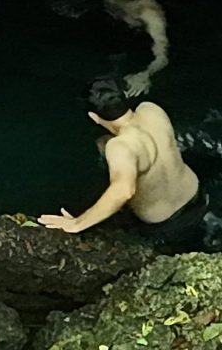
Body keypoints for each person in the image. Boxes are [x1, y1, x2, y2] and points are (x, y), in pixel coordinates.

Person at [38, 77, 208, 246]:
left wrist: (77, 223)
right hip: (197, 197)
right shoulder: (151, 110)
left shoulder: (120, 146)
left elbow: (123, 191)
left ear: (93, 117)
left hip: (167, 224)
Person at [101, 0, 168, 97]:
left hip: (136, 39)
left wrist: (145, 74)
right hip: (116, 26)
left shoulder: (149, 14)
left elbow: (162, 55)